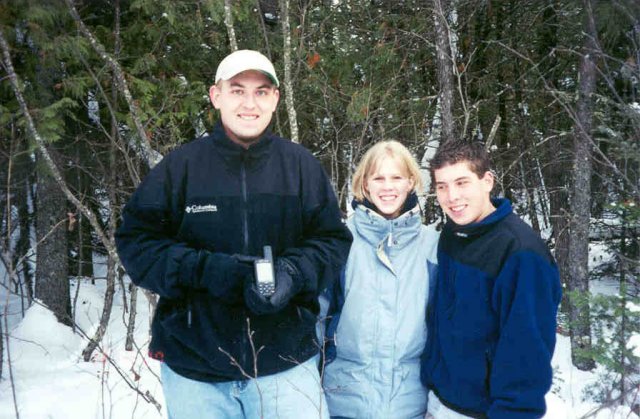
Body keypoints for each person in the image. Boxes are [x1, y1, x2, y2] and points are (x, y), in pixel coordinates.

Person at [115, 49, 352, 419]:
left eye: (260, 92)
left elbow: (332, 241)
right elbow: (136, 243)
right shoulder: (181, 168)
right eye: (238, 90)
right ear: (216, 95)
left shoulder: (300, 166)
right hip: (197, 369)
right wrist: (206, 271)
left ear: (275, 99)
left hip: (285, 364)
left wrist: (292, 273)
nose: (249, 103)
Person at [421, 139, 562, 418]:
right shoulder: (453, 234)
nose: (452, 197)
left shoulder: (521, 253)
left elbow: (527, 355)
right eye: (442, 186)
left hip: (481, 411)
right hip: (437, 400)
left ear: (487, 181)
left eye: (462, 183)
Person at [322, 141, 439, 419]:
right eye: (378, 178)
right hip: (344, 401)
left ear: (411, 181)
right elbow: (316, 321)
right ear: (364, 184)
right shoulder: (339, 242)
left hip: (411, 403)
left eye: (396, 177)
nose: (388, 187)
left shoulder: (432, 247)